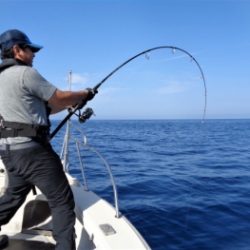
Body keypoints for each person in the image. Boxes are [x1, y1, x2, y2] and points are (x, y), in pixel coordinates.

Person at [0, 29, 96, 249]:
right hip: (31, 152)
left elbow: (43, 108)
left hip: (8, 151)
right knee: (62, 201)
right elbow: (59, 97)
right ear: (16, 50)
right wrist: (85, 93)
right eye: (30, 49)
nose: (34, 54)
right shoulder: (25, 73)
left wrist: (71, 104)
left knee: (14, 195)